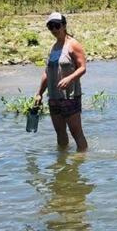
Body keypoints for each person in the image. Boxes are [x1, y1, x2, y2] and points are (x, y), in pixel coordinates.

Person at [34, 12, 88, 151]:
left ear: (64, 25)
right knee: (60, 133)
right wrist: (39, 93)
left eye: (57, 26)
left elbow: (82, 68)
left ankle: (80, 160)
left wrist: (70, 78)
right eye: (50, 26)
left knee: (76, 133)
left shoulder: (73, 45)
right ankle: (62, 160)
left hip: (70, 96)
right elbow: (47, 72)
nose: (54, 30)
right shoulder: (54, 47)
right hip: (54, 97)